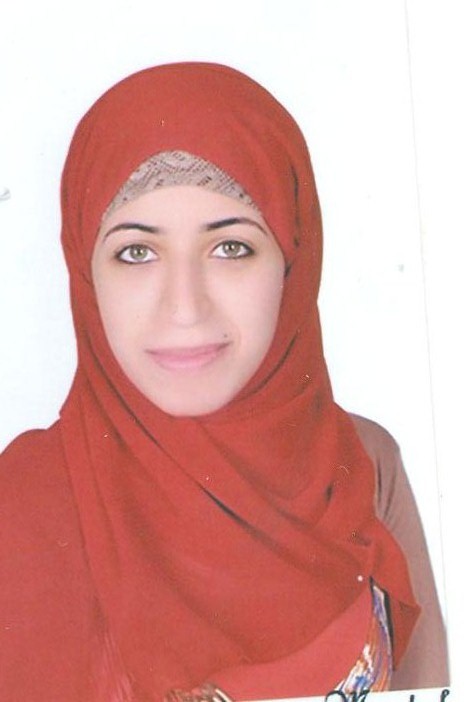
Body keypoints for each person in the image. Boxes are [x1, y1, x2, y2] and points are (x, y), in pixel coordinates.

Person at [0, 62, 448, 702]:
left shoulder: (364, 463)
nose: (185, 307)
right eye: (136, 252)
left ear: (293, 259)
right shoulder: (21, 507)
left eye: (231, 247)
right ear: (84, 270)